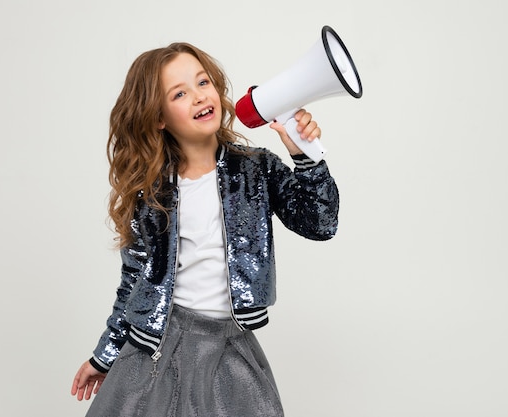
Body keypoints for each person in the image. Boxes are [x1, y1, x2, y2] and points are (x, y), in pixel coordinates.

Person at [71, 41, 340, 417]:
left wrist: (307, 156)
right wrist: (104, 356)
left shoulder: (256, 170)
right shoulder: (151, 194)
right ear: (159, 117)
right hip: (158, 350)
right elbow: (133, 284)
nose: (198, 96)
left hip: (230, 349)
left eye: (203, 82)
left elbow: (321, 224)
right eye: (180, 93)